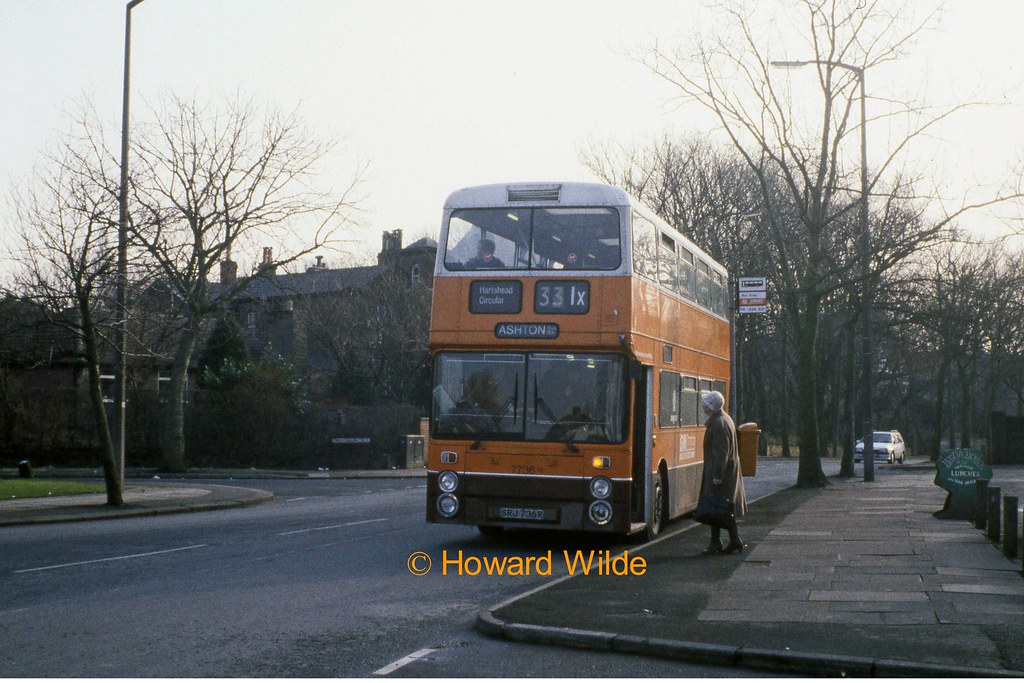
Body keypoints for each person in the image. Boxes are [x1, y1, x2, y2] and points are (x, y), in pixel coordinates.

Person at [700, 390, 747, 555]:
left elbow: (721, 453)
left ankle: (734, 540)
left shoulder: (719, 424)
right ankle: (716, 541)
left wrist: (717, 476)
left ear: (711, 406)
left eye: (705, 403)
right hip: (725, 473)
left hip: (722, 475)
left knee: (722, 508)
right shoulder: (723, 419)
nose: (703, 405)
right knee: (717, 507)